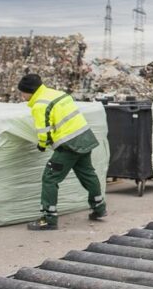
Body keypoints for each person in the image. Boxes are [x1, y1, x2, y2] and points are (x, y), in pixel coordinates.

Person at [17, 73, 106, 231]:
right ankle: (99, 208)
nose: (22, 95)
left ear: (29, 91)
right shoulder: (57, 94)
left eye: (22, 92)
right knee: (88, 174)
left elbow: (44, 131)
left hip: (68, 146)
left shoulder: (39, 105)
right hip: (84, 138)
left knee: (50, 178)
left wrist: (42, 145)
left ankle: (48, 219)